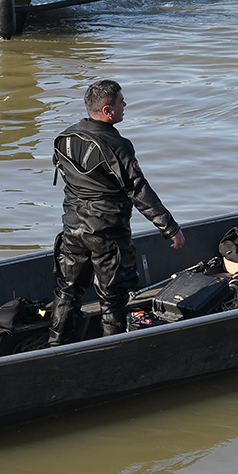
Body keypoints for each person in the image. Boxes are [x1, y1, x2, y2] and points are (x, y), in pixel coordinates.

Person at [49, 80, 184, 345]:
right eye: (122, 101)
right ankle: (113, 351)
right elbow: (138, 190)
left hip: (72, 230)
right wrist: (171, 228)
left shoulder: (64, 138)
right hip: (107, 234)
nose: (126, 105)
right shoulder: (117, 145)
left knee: (68, 291)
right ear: (108, 111)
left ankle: (53, 348)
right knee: (113, 297)